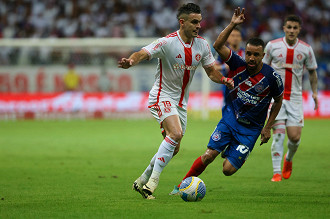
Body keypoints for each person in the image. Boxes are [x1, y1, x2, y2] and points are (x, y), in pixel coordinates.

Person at [117, 3, 234, 199]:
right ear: (182, 22)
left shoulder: (202, 45)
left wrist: (223, 79)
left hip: (180, 104)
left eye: (200, 22)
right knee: (176, 133)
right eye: (194, 22)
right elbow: (143, 53)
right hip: (161, 96)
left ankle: (141, 180)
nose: (198, 25)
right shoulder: (167, 42)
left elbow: (211, 72)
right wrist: (131, 61)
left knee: (174, 146)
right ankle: (152, 182)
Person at [169, 7, 284, 195]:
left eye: (256, 54)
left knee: (227, 170)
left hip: (251, 130)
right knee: (208, 156)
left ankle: (233, 149)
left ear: (263, 56)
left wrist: (267, 127)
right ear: (245, 53)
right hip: (230, 120)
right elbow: (217, 45)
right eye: (249, 53)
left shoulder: (272, 77)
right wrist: (232, 24)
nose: (251, 58)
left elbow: (278, 101)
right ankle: (181, 186)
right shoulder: (237, 63)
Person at [263, 15, 318, 182]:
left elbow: (312, 72)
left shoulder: (306, 49)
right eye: (289, 27)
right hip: (276, 98)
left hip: (294, 98)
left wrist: (314, 92)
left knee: (294, 137)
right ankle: (276, 172)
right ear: (284, 28)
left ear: (299, 29)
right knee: (278, 135)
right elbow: (263, 68)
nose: (292, 30)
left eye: (295, 27)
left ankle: (288, 159)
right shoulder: (272, 46)